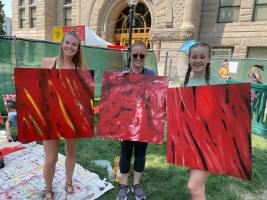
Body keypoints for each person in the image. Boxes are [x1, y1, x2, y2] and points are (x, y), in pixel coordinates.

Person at [41, 31, 87, 200]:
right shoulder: (47, 63)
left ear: (78, 48)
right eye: (67, 42)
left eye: (74, 44)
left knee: (70, 152)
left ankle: (68, 181)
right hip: (50, 117)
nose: (70, 46)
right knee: (51, 158)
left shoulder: (80, 69)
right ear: (62, 43)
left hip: (71, 117)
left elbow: (84, 96)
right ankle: (47, 188)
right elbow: (39, 87)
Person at [183, 42, 225, 200]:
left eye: (202, 57)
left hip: (211, 142)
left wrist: (243, 98)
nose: (198, 60)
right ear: (189, 59)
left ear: (209, 59)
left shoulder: (218, 82)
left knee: (193, 186)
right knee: (199, 186)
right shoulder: (186, 83)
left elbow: (229, 109)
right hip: (193, 141)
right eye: (194, 56)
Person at [116, 41, 155, 200]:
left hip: (144, 123)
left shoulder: (151, 74)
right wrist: (117, 126)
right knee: (125, 154)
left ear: (146, 56)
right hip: (126, 123)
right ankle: (124, 186)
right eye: (135, 55)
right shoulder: (123, 75)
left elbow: (156, 99)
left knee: (140, 154)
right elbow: (116, 101)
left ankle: (136, 185)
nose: (138, 58)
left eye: (142, 55)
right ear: (130, 55)